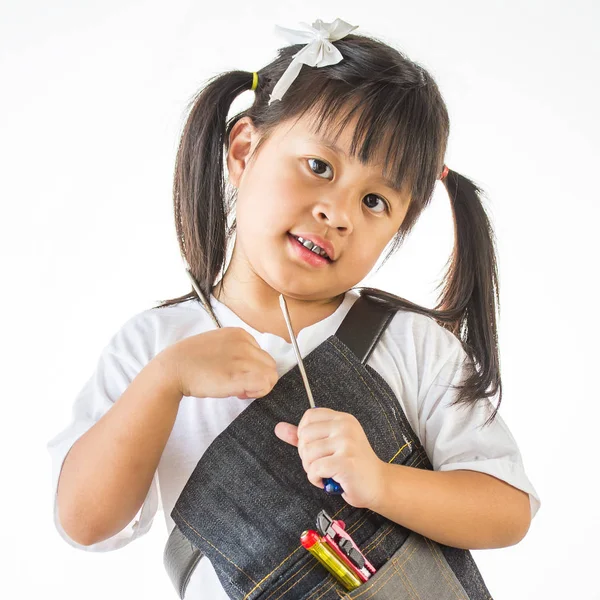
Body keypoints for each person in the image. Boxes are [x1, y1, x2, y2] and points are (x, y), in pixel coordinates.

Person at [47, 18, 540, 600]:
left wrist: (380, 483)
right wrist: (164, 382)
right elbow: (84, 523)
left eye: (376, 200)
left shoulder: (411, 344)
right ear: (244, 149)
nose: (339, 213)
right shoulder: (155, 345)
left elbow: (506, 510)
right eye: (320, 167)